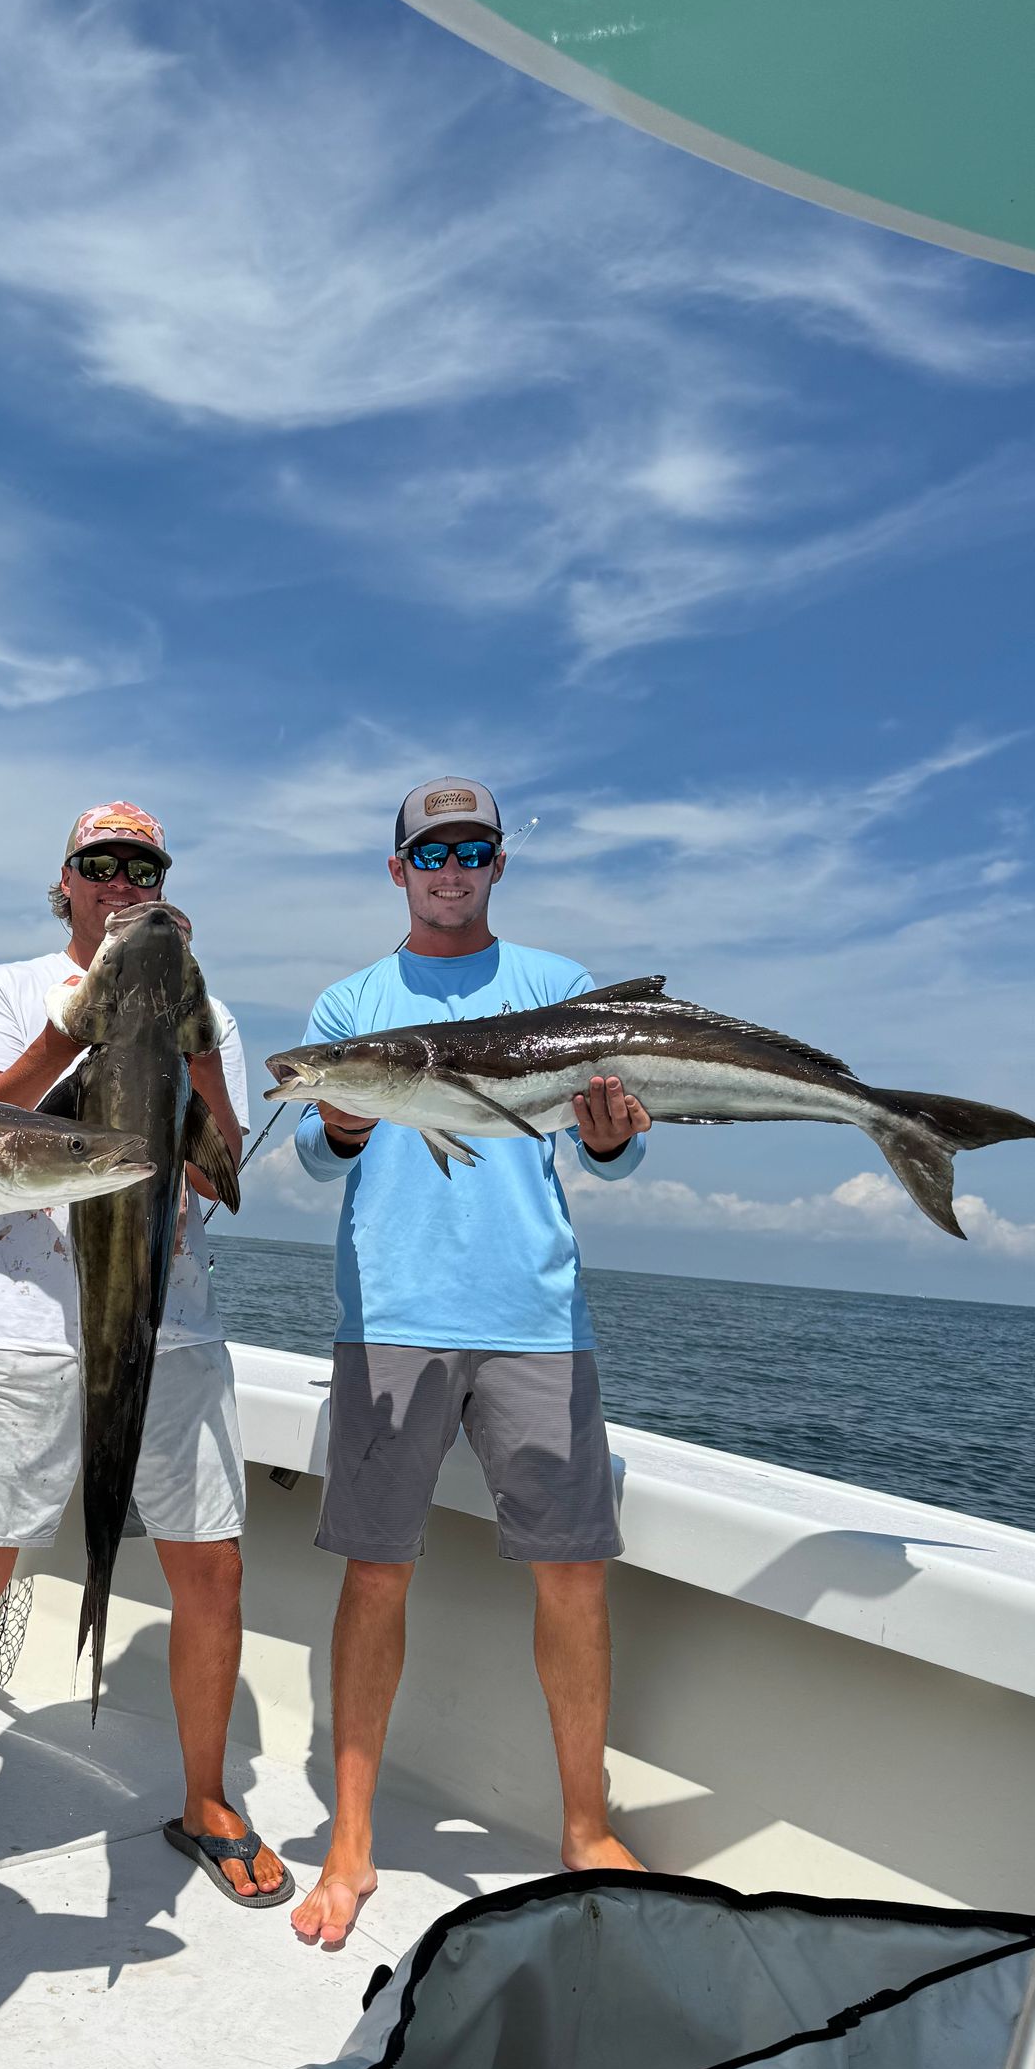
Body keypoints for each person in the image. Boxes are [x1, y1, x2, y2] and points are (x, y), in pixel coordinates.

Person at [0, 802, 290, 1960]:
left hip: (167, 1324)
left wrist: (183, 1028)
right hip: (19, 1326)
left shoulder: (215, 1012)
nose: (120, 881)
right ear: (68, 884)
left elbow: (223, 1170)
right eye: (101, 866)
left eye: (142, 866)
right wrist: (86, 1025)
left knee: (213, 1569)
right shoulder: (7, 988)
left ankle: (206, 1798)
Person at [288, 776, 649, 1951]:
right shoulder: (353, 1000)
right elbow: (314, 1147)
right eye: (430, 848)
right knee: (377, 1571)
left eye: (473, 846)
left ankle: (586, 1824)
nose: (451, 864)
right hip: (391, 1309)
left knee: (575, 1573)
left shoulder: (556, 987)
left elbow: (612, 1150)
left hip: (537, 1316)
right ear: (397, 869)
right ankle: (353, 1833)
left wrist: (612, 1137)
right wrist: (341, 1116)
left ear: (497, 863)